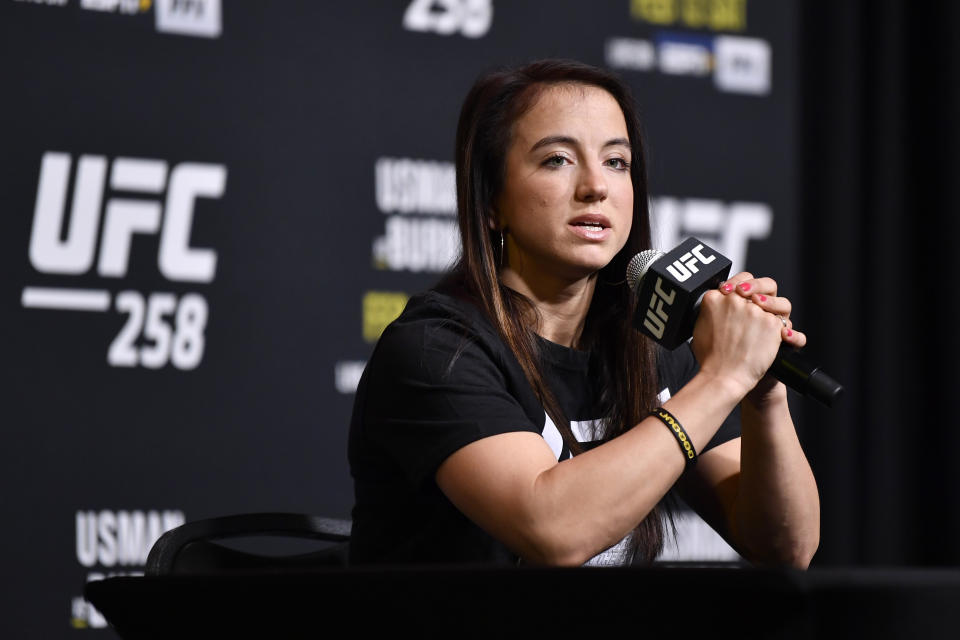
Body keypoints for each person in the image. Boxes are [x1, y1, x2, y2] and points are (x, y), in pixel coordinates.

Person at [347, 59, 820, 567]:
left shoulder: (649, 347)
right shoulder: (436, 348)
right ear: (491, 202)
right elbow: (553, 530)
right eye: (557, 160)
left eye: (617, 162)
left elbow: (784, 548)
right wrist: (723, 378)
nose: (597, 185)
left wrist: (761, 393)